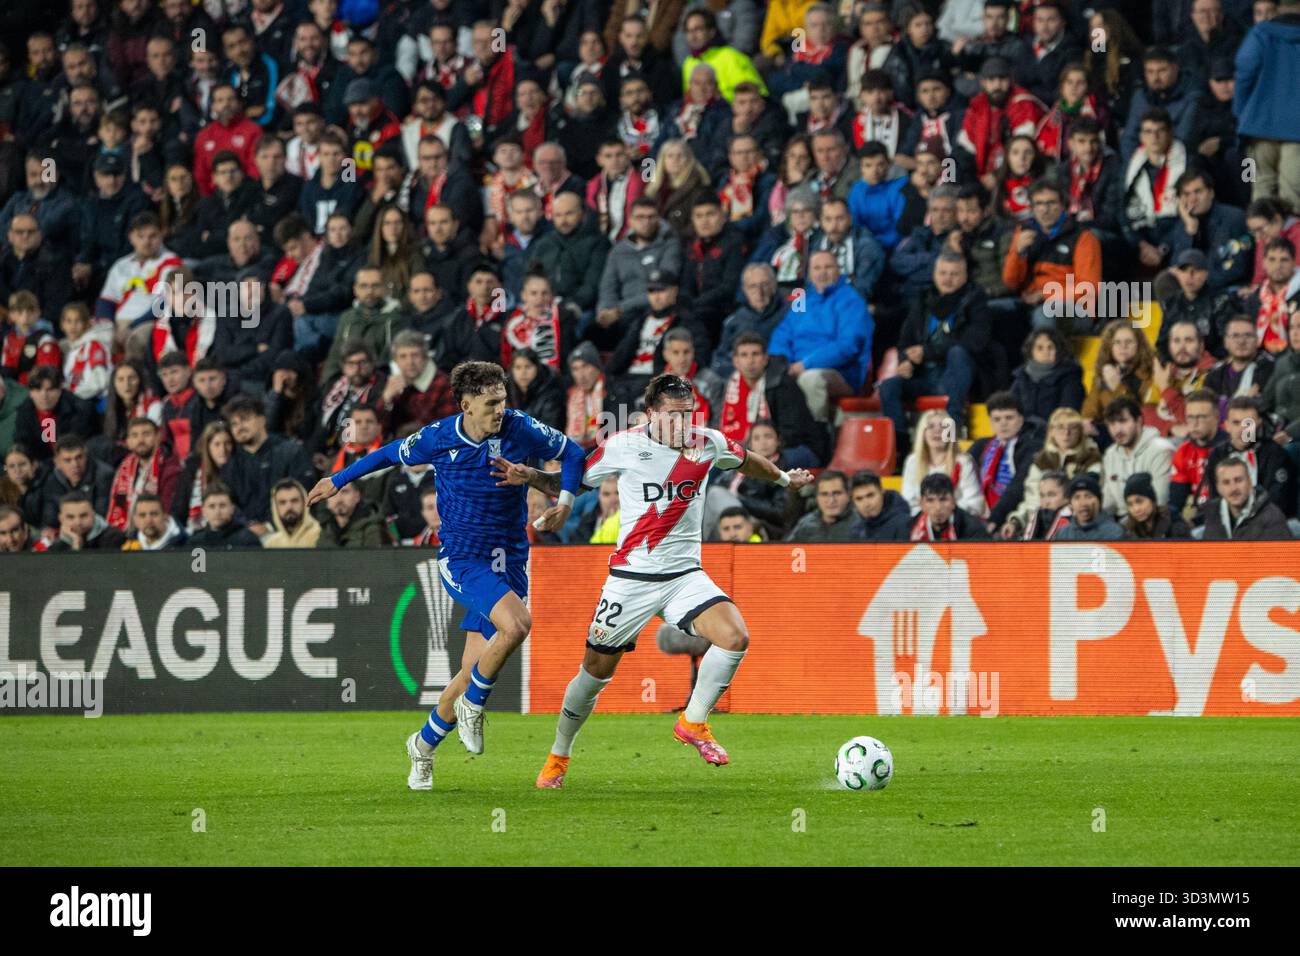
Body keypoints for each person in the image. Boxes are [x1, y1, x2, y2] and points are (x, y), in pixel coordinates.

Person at [307, 361, 587, 788]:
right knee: (517, 625)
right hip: (462, 559)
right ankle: (475, 704)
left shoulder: (517, 427)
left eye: (503, 401)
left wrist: (563, 503)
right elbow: (388, 453)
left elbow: (574, 453)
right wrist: (339, 479)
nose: (500, 410)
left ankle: (422, 746)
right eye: (491, 403)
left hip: (509, 557)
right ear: (466, 405)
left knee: (472, 666)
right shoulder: (439, 438)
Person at [527, 372, 812, 788]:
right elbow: (570, 480)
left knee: (735, 636)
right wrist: (528, 475)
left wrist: (786, 479)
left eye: (688, 414)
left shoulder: (707, 442)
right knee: (593, 675)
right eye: (673, 416)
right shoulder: (622, 446)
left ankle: (693, 722)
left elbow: (746, 459)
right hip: (630, 579)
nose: (683, 423)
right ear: (651, 415)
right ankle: (559, 755)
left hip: (684, 576)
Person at [878, 250, 989, 452]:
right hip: (924, 377)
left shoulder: (976, 299)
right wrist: (906, 362)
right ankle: (900, 448)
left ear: (965, 276)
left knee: (958, 352)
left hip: (956, 376)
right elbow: (905, 341)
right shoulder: (923, 300)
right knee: (888, 387)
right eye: (943, 273)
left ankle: (951, 433)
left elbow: (974, 341)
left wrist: (927, 352)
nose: (947, 278)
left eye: (954, 274)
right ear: (935, 274)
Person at [767, 250, 874, 421]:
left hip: (841, 372)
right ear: (809, 273)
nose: (822, 272)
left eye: (828, 267)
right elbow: (783, 331)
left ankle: (815, 437)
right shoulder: (802, 299)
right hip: (795, 367)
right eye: (817, 268)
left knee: (811, 379)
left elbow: (848, 346)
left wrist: (806, 364)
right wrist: (781, 361)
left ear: (839, 270)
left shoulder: (851, 300)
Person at [1233, 3, 1300, 205]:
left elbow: (1244, 71)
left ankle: (1261, 236)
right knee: (1294, 197)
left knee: (1259, 187)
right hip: (1296, 134)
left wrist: (1241, 112)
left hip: (1257, 130)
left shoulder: (1260, 33)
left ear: (1278, 8)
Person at [1004, 406, 1103, 537]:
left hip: (1078, 525)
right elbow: (1032, 499)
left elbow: (1093, 498)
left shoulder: (1091, 458)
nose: (1066, 433)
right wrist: (1016, 521)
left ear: (1080, 431)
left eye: (1072, 427)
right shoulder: (1041, 461)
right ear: (1052, 431)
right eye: (1060, 427)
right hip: (1041, 521)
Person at [1204, 394, 1297, 516]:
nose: (1243, 430)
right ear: (1226, 425)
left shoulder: (1275, 454)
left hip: (1268, 524)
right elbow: (1214, 498)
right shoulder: (1217, 455)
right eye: (1236, 423)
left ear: (1259, 423)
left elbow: (1277, 502)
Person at [967, 390, 1045, 533]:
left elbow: (1019, 485)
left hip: (1014, 517)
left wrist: (994, 519)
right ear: (990, 421)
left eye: (1009, 418)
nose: (1003, 424)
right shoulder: (980, 446)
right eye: (997, 419)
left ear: (1021, 419)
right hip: (980, 516)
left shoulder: (1033, 446)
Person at [900, 410, 987, 517]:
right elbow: (908, 502)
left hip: (958, 522)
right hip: (922, 522)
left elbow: (975, 503)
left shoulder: (963, 461)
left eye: (943, 427)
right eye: (931, 426)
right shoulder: (912, 462)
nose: (937, 431)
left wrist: (944, 514)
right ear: (922, 433)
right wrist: (929, 518)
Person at [1169, 388, 1227, 523]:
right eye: (1190, 417)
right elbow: (1176, 501)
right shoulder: (1183, 452)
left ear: (1216, 417)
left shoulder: (1230, 448)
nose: (1194, 424)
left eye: (1201, 417)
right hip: (1197, 519)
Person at [1202, 454, 1295, 539]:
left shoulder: (1272, 517)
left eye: (1238, 480)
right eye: (1226, 482)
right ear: (1218, 488)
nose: (1233, 488)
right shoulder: (1212, 513)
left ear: (1250, 482)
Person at [1010, 328, 1085, 422]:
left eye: (1051, 347)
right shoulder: (1021, 376)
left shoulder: (1071, 377)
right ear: (1031, 351)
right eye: (1040, 348)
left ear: (1059, 350)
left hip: (1055, 431)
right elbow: (1010, 409)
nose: (1046, 352)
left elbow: (1068, 414)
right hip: (1023, 430)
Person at [895, 471, 992, 541]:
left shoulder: (973, 530)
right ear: (922, 504)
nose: (938, 507)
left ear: (953, 501)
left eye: (943, 499)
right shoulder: (908, 530)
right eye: (930, 500)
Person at [36, 490, 127, 552]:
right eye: (71, 517)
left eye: (83, 515)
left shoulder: (113, 537)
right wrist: (76, 543)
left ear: (93, 515)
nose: (78, 522)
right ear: (61, 519)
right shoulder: (56, 547)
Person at [786, 469, 862, 542]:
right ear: (817, 498)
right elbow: (784, 551)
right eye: (824, 494)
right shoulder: (806, 524)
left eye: (837, 493)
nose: (831, 500)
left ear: (848, 495)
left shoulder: (861, 524)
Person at [1054, 471, 1125, 541]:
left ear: (1099, 501)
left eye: (1088, 496)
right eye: (1077, 497)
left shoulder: (1115, 533)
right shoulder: (1063, 534)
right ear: (1070, 504)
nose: (1083, 503)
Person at [1121, 472, 1191, 539]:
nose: (1136, 509)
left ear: (1152, 500)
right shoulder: (1128, 529)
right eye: (1130, 504)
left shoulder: (1174, 523)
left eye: (1140, 501)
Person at [850, 469, 911, 541]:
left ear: (882, 491)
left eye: (870, 495)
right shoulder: (855, 530)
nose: (866, 504)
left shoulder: (904, 523)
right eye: (859, 499)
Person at [262, 478, 321, 549]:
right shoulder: (272, 544)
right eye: (282, 502)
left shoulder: (319, 536)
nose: (289, 507)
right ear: (275, 507)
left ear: (305, 502)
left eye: (294, 501)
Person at [121, 492, 187, 550]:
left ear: (165, 516)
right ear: (135, 520)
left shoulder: (186, 546)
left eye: (154, 514)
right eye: (142, 515)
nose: (148, 520)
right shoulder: (128, 547)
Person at [1018, 469, 1071, 540]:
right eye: (1042, 495)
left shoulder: (1072, 521)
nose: (1046, 502)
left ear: (1067, 497)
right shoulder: (1038, 514)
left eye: (1051, 495)